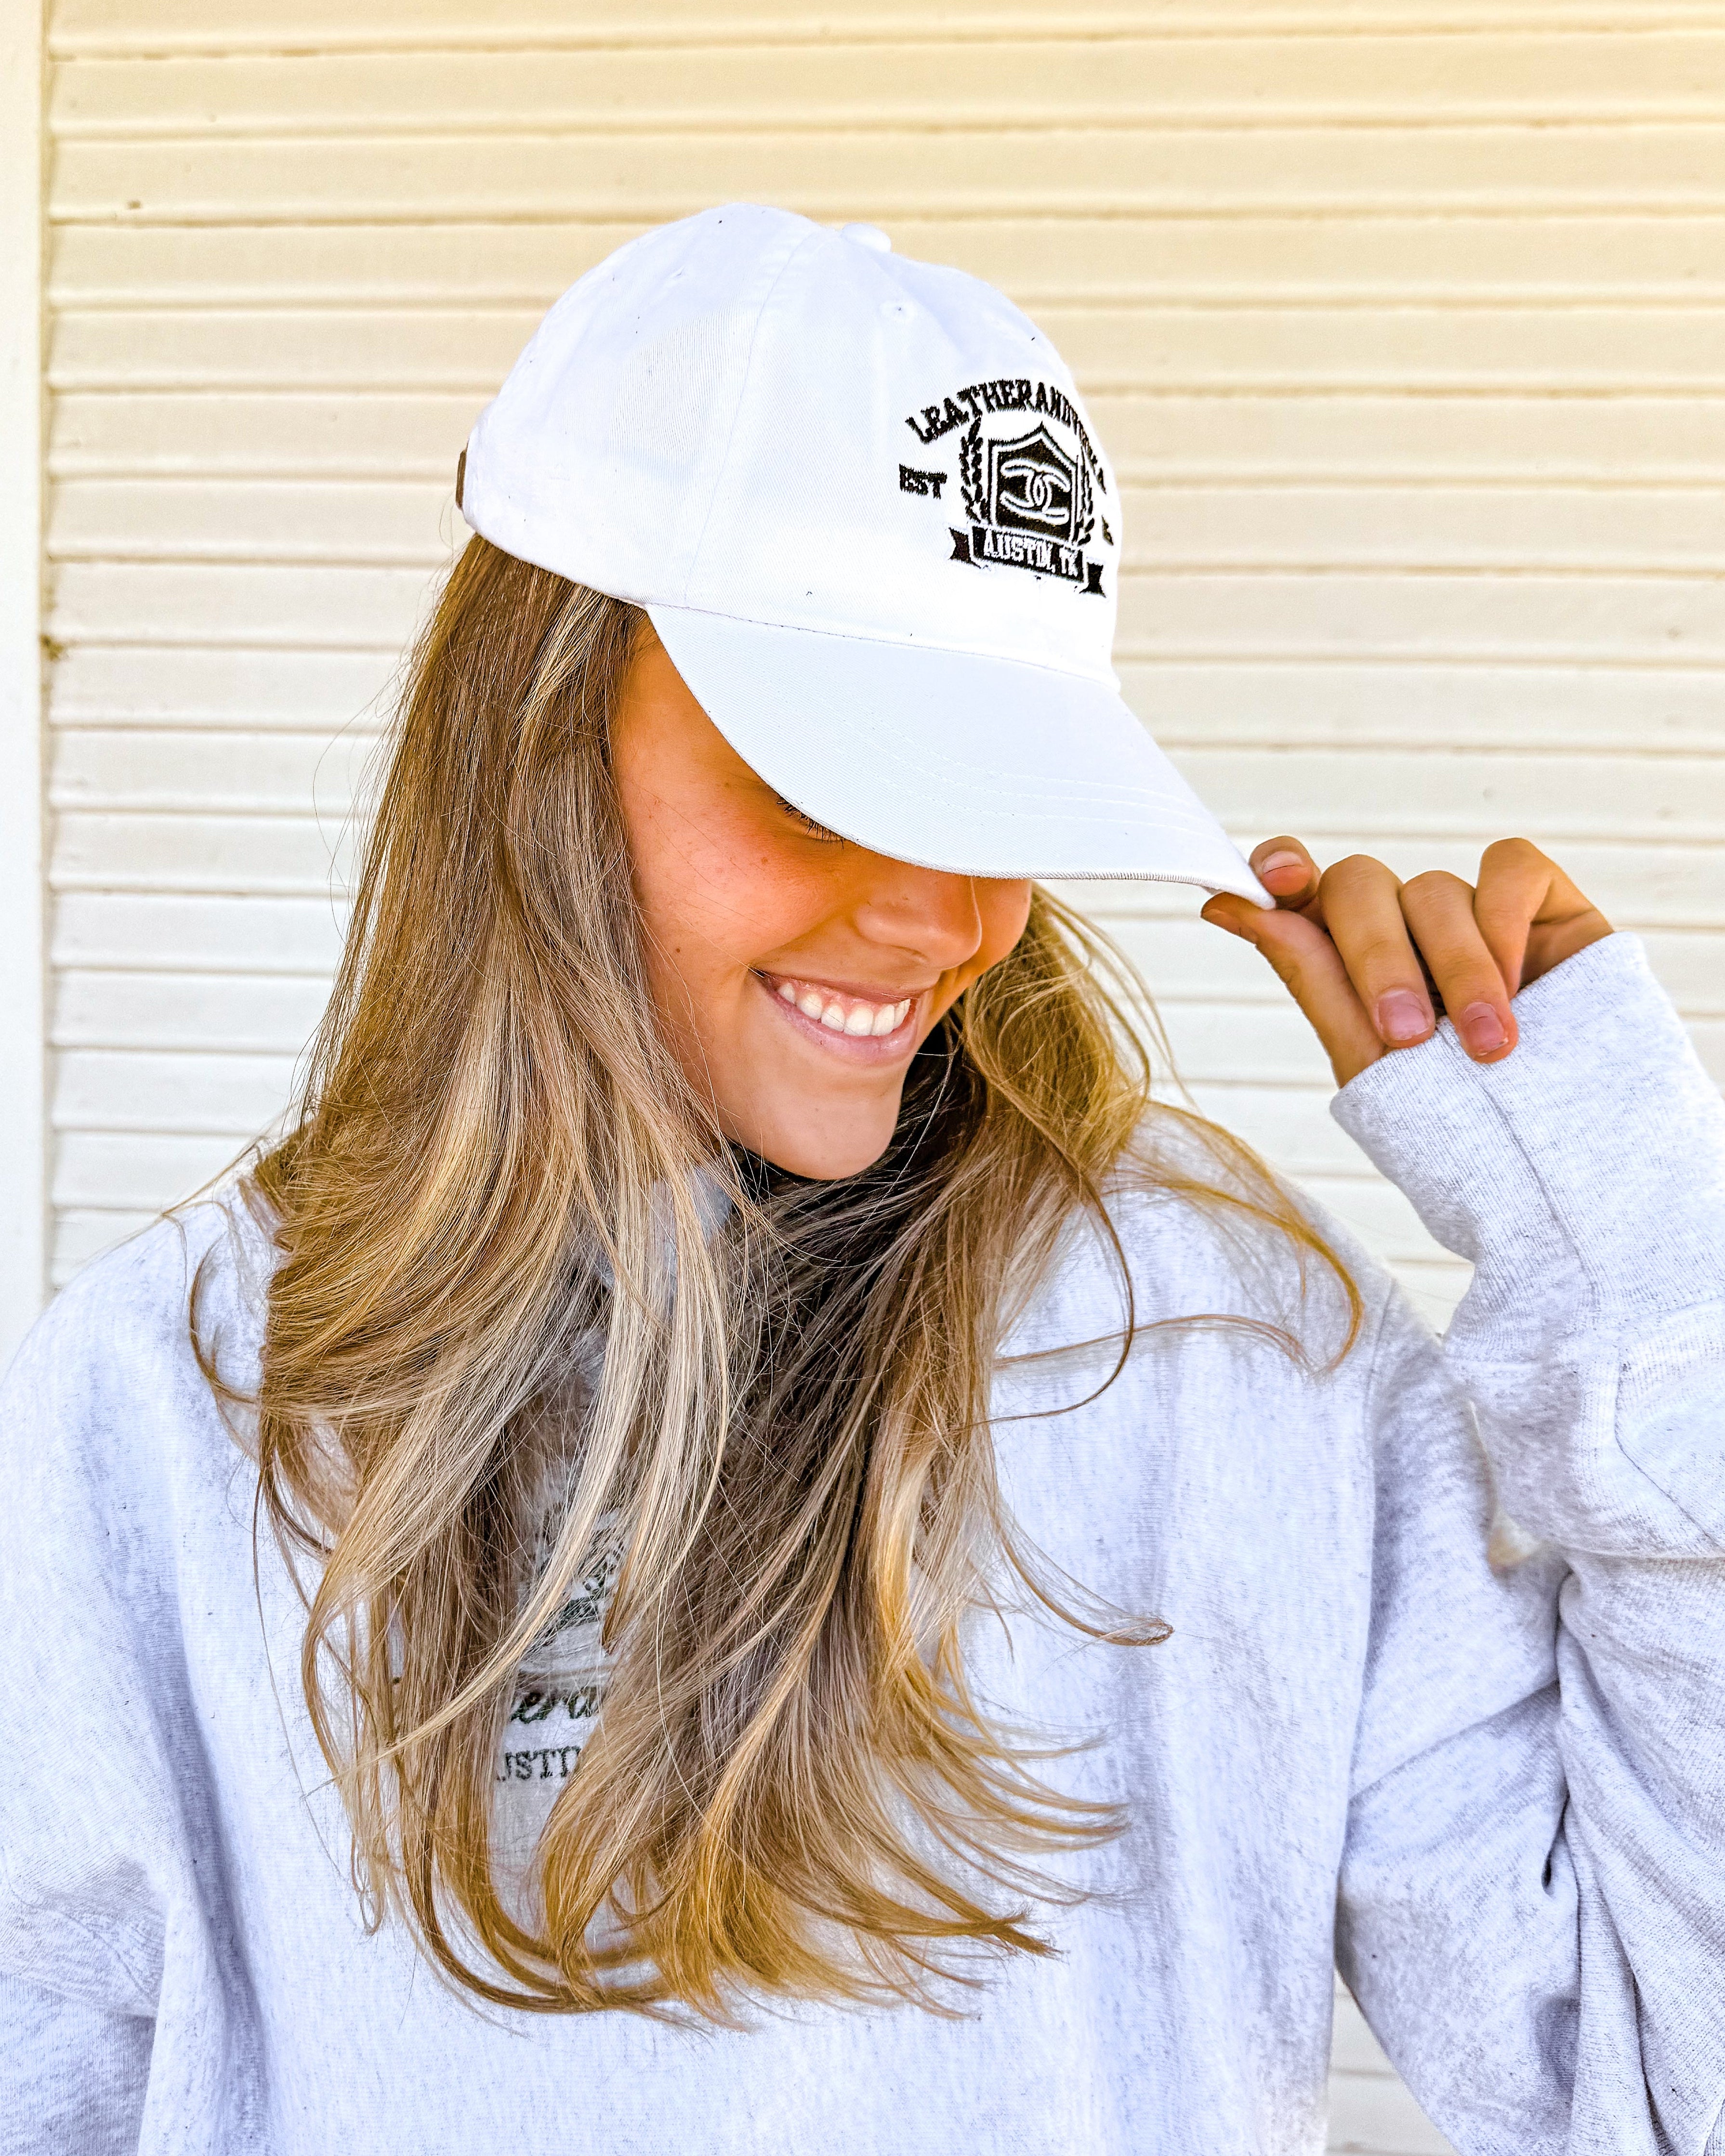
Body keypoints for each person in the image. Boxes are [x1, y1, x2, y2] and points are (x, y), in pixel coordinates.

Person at [1, 202, 1721, 2156]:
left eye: (997, 787)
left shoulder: (1232, 1351)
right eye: (833, 770)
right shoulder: (175, 1401)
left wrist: (1640, 1262)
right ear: (541, 728)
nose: (938, 916)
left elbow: (1662, 2096)